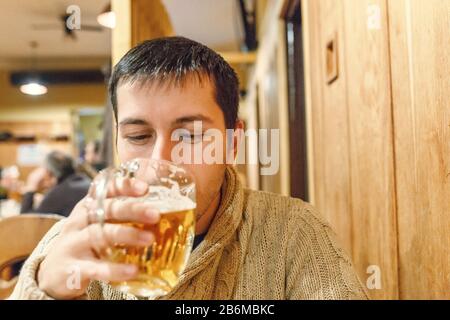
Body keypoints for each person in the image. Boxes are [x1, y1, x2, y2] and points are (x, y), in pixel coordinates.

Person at [11, 37, 369, 300]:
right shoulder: (82, 238)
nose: (160, 159)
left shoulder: (293, 232)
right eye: (138, 135)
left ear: (232, 142)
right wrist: (43, 291)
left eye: (191, 135)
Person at [20, 151, 91, 217]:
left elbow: (26, 221)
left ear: (48, 172)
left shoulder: (60, 192)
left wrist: (31, 187)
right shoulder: (86, 181)